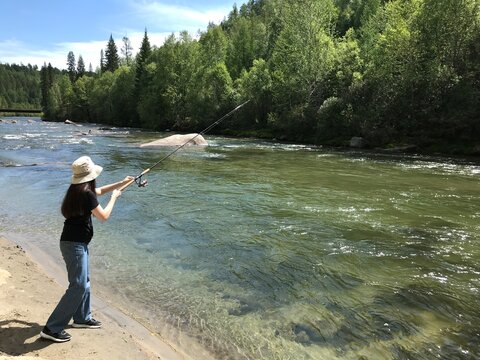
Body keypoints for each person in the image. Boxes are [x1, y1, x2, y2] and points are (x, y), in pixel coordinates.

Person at [40, 156, 133, 342]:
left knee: (85, 282)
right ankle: (52, 328)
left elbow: (97, 191)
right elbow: (104, 216)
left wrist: (121, 183)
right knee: (78, 286)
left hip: (74, 243)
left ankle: (82, 318)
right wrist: (115, 197)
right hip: (74, 245)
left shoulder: (77, 190)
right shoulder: (85, 193)